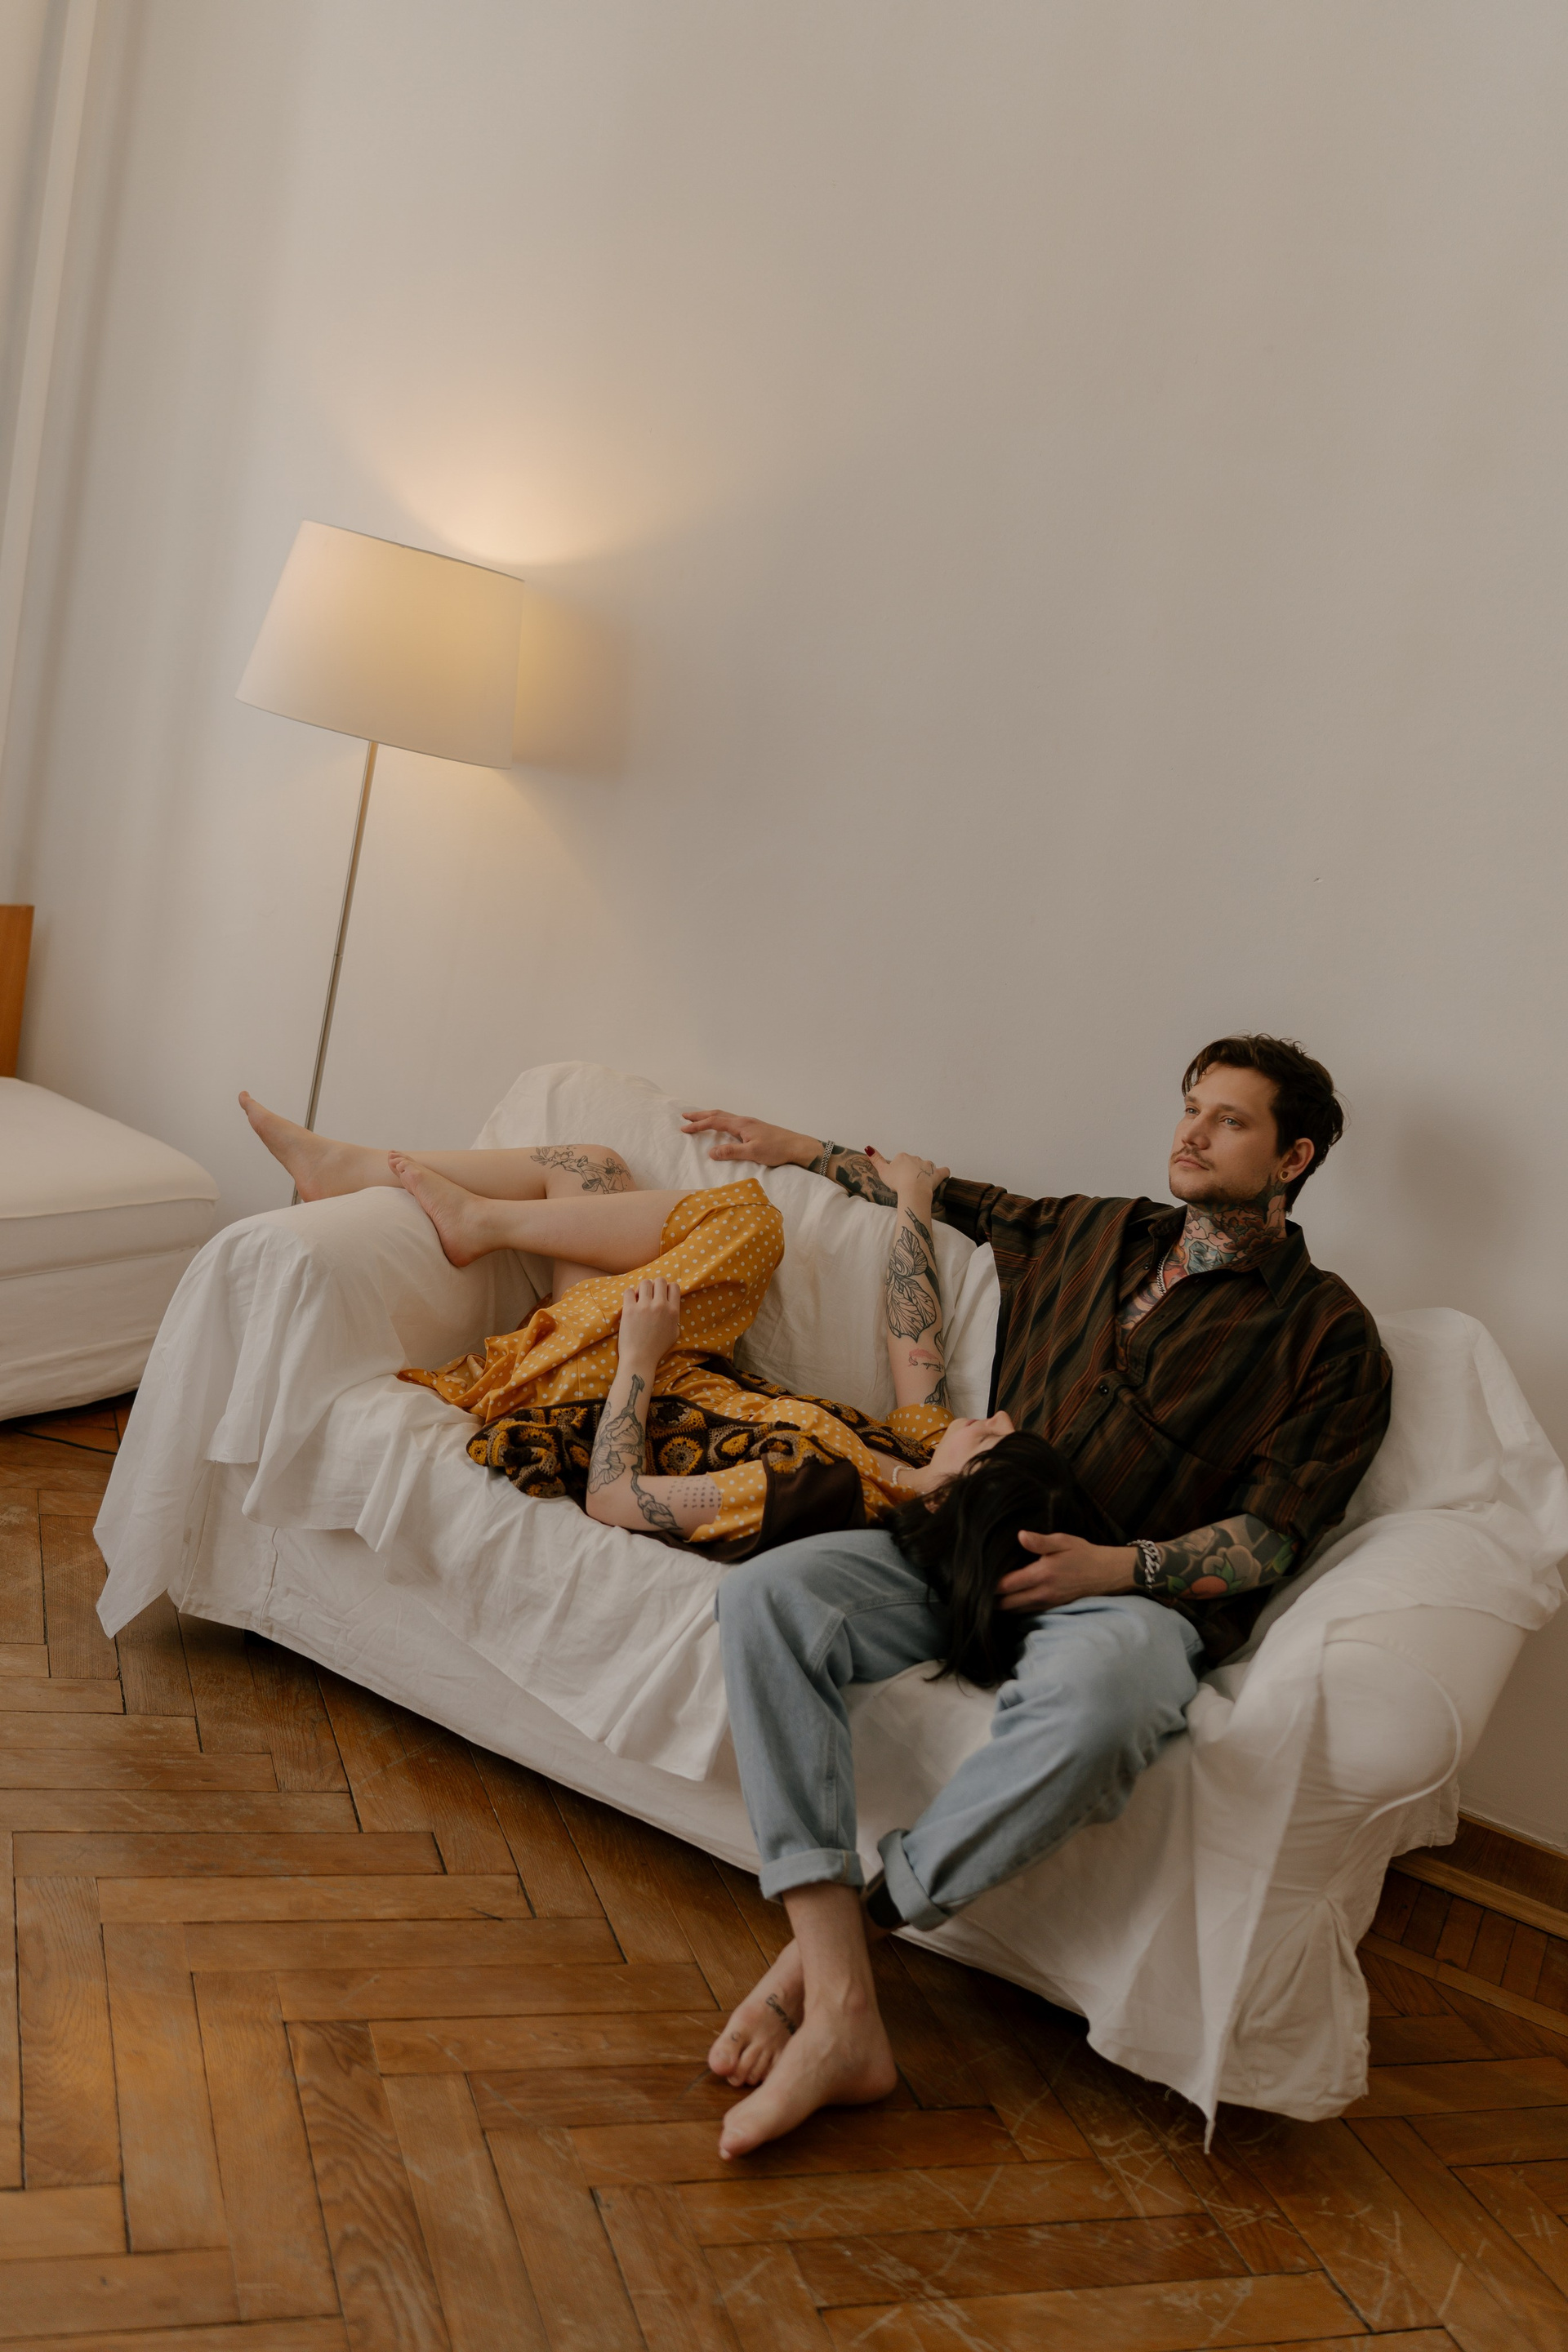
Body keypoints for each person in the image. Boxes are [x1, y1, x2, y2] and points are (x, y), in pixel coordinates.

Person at [679, 1034, 1392, 2158]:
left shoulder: (1329, 1336)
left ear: (1293, 1157)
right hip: (967, 1546)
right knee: (770, 1598)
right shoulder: (1092, 1230)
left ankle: (821, 1964)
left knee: (1106, 1708)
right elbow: (934, 1190)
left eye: (1231, 1119)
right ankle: (844, 2001)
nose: (1193, 1131)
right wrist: (796, 1146)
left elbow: (1273, 1535)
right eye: (1191, 1106)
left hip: (1125, 1601)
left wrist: (1122, 1567)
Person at [236, 1096, 1012, 1557]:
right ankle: (348, 1169)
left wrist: (639, 1361)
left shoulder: (815, 1494)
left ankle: (476, 1221)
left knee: (749, 1221)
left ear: (963, 1497)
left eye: (996, 1445)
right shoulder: (918, 1449)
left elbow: (615, 1499)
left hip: (599, 1395)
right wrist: (912, 1195)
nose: (1000, 1420)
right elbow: (915, 1332)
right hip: (668, 1358)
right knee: (588, 1167)